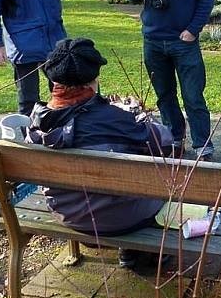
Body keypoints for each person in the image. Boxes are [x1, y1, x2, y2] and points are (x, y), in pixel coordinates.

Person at [26, 37, 172, 268]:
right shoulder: (114, 119)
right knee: (161, 177)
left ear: (53, 81)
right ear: (92, 80)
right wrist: (140, 115)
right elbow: (163, 142)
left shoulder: (38, 122)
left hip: (68, 213)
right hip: (124, 217)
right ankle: (139, 252)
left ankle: (130, 251)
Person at [126, 0, 215, 160]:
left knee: (193, 96)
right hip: (153, 41)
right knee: (164, 95)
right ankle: (174, 138)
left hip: (183, 41)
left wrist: (192, 30)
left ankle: (202, 144)